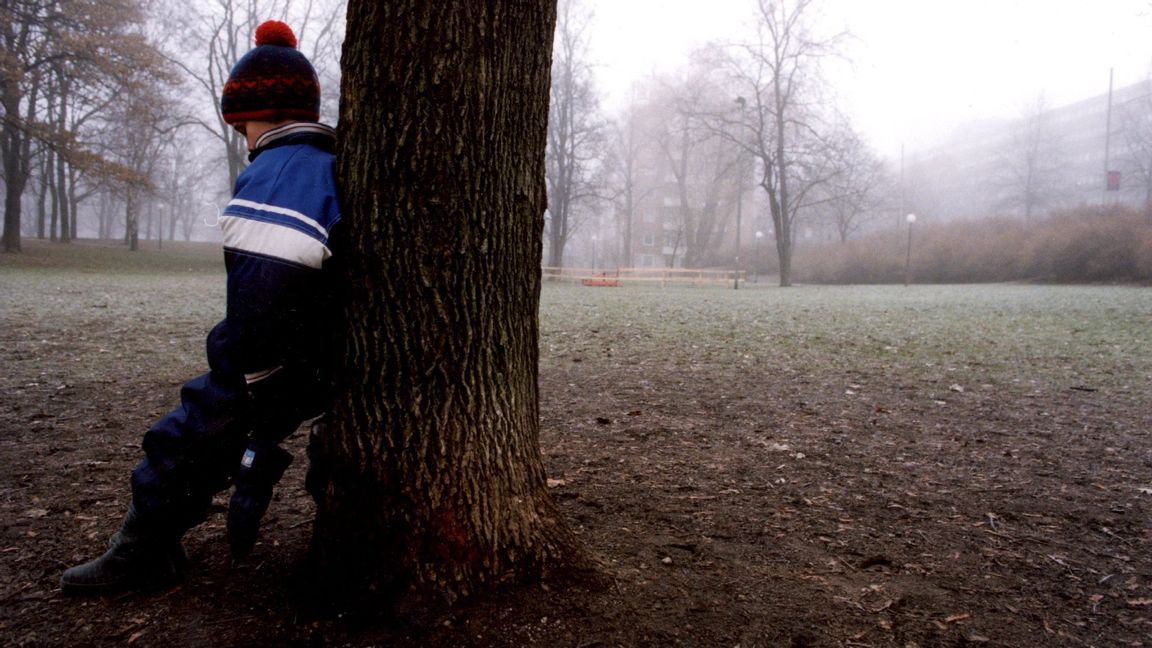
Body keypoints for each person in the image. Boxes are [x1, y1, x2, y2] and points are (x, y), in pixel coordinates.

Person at [61, 20, 342, 595]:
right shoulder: (323, 163)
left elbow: (269, 286)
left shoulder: (278, 173)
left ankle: (143, 551)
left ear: (246, 117)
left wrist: (251, 375)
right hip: (323, 354)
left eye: (238, 123)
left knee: (189, 431)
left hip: (284, 362)